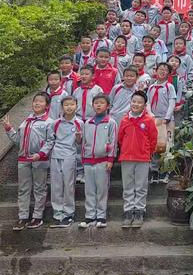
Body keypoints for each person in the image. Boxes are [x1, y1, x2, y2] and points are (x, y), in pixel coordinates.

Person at [2, 92, 54, 230]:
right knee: (23, 189)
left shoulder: (49, 122)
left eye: (41, 101)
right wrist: (9, 129)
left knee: (39, 188)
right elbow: (18, 141)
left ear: (47, 105)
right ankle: (22, 217)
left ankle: (37, 217)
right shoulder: (26, 121)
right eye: (35, 101)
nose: (37, 103)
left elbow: (50, 141)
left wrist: (41, 153)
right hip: (23, 159)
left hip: (40, 160)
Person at [118, 91, 157, 228]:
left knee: (140, 186)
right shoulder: (124, 120)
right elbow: (120, 139)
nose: (136, 104)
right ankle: (128, 211)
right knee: (128, 186)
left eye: (139, 102)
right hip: (127, 157)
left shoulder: (148, 121)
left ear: (144, 105)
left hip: (142, 158)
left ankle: (139, 211)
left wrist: (147, 152)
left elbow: (153, 139)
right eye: (134, 101)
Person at [79, 94, 117, 229]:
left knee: (101, 189)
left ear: (107, 106)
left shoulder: (111, 122)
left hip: (103, 161)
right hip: (88, 161)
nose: (99, 105)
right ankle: (90, 216)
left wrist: (110, 159)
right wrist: (83, 158)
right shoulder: (87, 123)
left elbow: (113, 142)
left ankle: (101, 216)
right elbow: (83, 143)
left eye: (102, 103)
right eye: (96, 103)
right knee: (89, 189)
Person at [50, 96, 82, 228]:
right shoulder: (56, 122)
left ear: (76, 106)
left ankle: (68, 213)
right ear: (62, 107)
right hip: (56, 155)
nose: (69, 107)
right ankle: (57, 212)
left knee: (68, 185)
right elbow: (51, 139)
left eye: (72, 104)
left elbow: (79, 144)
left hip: (70, 155)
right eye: (66, 105)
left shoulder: (79, 123)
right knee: (56, 185)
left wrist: (79, 138)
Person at [147, 63, 176, 184]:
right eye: (160, 69)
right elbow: (147, 102)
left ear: (168, 73)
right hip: (154, 119)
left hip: (166, 120)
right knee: (154, 145)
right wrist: (151, 115)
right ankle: (154, 170)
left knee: (167, 145)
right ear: (156, 71)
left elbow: (172, 102)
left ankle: (166, 171)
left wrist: (167, 117)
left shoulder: (169, 87)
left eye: (165, 70)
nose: (162, 71)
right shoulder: (151, 87)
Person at [167, 55, 187, 126]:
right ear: (167, 62)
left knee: (175, 126)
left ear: (179, 65)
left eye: (176, 61)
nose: (174, 63)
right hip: (164, 106)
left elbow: (184, 92)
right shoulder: (163, 76)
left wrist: (181, 104)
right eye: (172, 61)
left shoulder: (180, 78)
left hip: (176, 106)